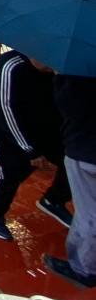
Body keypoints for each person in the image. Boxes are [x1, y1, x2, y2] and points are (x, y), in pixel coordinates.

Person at [0, 50, 71, 241]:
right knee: (9, 173)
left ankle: (54, 200)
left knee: (72, 161)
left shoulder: (56, 71)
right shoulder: (8, 68)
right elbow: (5, 112)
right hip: (7, 136)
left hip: (45, 130)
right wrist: (29, 150)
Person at [44, 74, 96, 288]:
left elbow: (67, 107)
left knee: (88, 213)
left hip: (85, 151)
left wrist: (58, 78)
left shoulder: (76, 72)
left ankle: (84, 269)